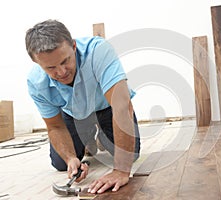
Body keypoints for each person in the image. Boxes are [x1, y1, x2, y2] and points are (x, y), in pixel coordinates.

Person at [25, 19, 141, 194]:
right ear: (37, 63)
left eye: (65, 61)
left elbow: (122, 107)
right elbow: (55, 126)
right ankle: (87, 142)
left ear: (73, 46)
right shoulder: (35, 82)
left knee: (130, 155)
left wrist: (121, 170)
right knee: (60, 164)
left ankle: (100, 136)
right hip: (74, 114)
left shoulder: (98, 51)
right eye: (51, 68)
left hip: (108, 109)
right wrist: (71, 158)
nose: (62, 72)